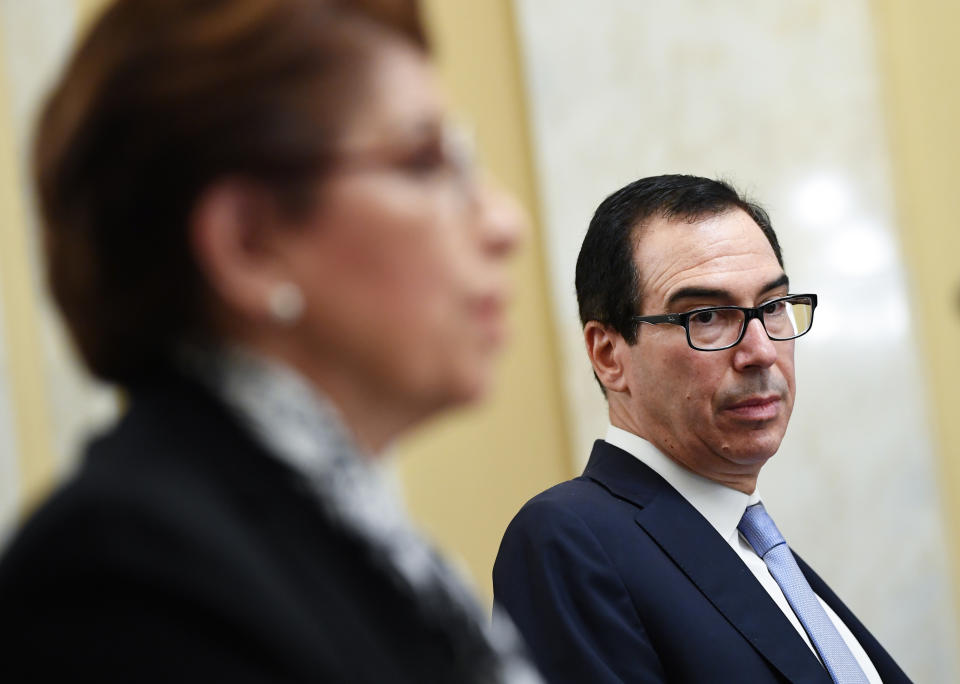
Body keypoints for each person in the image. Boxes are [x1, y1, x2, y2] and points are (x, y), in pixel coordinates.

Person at [0, 1, 542, 682]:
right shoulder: (123, 584)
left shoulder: (351, 540)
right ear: (249, 244)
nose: (504, 223)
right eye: (424, 161)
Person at [493, 175, 911, 683]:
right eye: (708, 315)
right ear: (608, 355)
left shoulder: (757, 549)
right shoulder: (568, 540)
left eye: (774, 307)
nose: (759, 351)